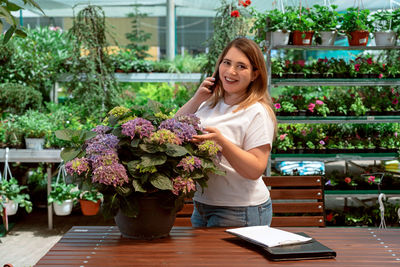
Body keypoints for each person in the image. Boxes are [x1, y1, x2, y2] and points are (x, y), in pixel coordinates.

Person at [175, 37, 277, 227]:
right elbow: (171, 130)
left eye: (241, 66)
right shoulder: (209, 103)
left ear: (255, 74)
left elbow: (256, 169)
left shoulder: (257, 112)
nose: (231, 72)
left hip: (241, 209)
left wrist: (222, 143)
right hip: (203, 205)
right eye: (227, 63)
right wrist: (196, 99)